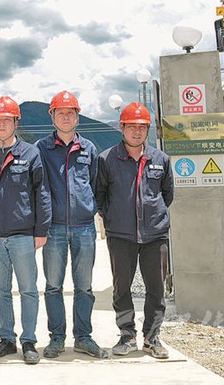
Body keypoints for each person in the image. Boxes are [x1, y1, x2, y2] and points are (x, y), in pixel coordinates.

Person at [0, 96, 51, 365]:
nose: (1, 124)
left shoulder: (30, 154)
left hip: (22, 235)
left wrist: (41, 230)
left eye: (7, 120)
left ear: (16, 122)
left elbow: (42, 193)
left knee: (28, 290)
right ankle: (6, 339)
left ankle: (28, 341)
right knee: (0, 291)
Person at [95, 102, 173, 360]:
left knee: (156, 288)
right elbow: (100, 196)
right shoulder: (107, 159)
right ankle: (127, 335)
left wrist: (153, 217)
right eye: (132, 126)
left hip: (155, 236)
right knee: (122, 288)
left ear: (148, 129)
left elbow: (167, 195)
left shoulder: (160, 159)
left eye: (142, 127)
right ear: (122, 127)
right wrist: (115, 218)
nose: (137, 131)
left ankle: (152, 338)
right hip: (121, 236)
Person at [36, 91, 109, 359]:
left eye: (70, 113)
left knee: (84, 286)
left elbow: (96, 185)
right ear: (52, 117)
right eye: (60, 113)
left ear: (77, 117)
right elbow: (38, 187)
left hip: (84, 227)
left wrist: (91, 211)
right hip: (53, 227)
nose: (65, 117)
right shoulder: (41, 149)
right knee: (53, 285)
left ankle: (83, 337)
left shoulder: (89, 148)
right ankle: (56, 338)